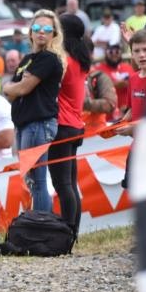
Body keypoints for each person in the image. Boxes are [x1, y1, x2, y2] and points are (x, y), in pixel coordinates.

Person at [2, 9, 65, 213]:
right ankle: (39, 223)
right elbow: (10, 92)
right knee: (31, 180)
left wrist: (14, 87)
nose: (41, 32)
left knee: (37, 180)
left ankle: (42, 225)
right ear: (30, 32)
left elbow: (21, 88)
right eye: (37, 28)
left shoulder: (49, 58)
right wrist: (13, 87)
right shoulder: (27, 58)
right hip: (24, 124)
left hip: (39, 124)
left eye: (47, 29)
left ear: (53, 34)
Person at [50, 13, 92, 236]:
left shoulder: (63, 58)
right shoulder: (82, 58)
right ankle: (72, 231)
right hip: (75, 124)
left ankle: (67, 233)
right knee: (70, 184)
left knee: (63, 184)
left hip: (62, 125)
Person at [119, 29, 146, 139]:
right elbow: (132, 109)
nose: (141, 55)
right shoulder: (133, 79)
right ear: (131, 54)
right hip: (138, 143)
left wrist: (133, 128)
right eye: (136, 51)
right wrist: (118, 125)